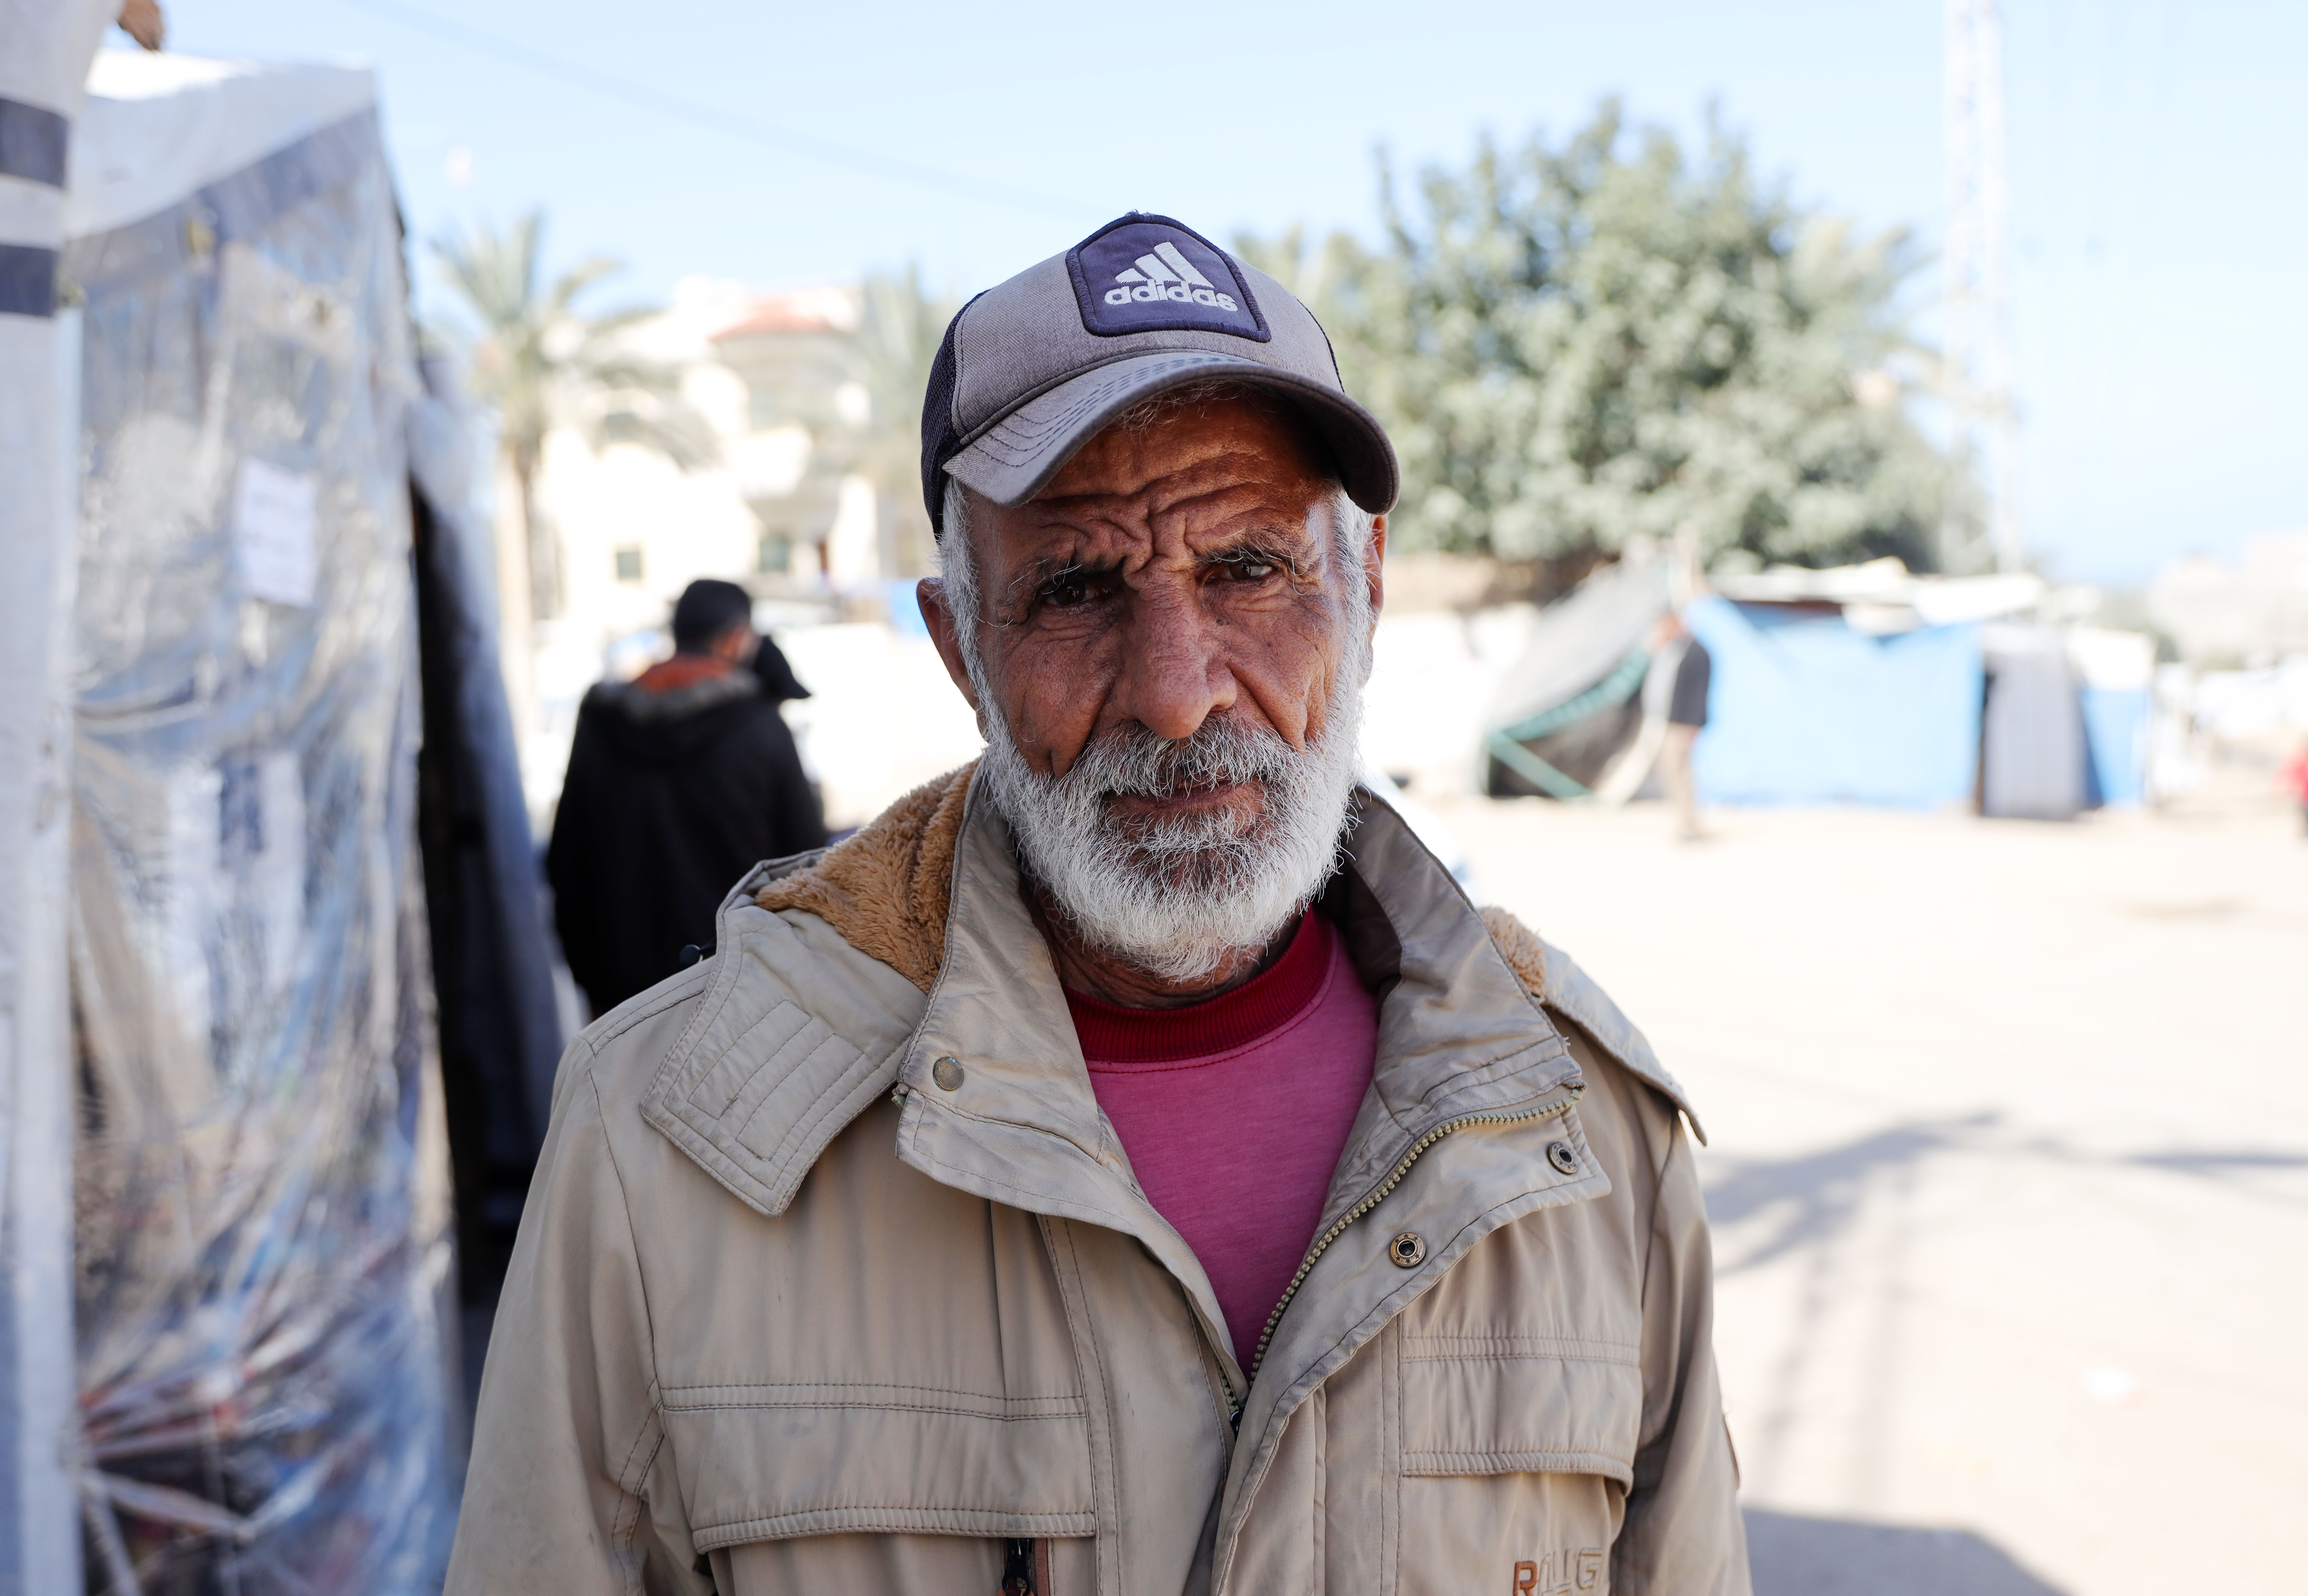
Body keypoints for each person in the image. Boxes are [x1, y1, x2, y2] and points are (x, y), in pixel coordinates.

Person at [454, 214, 1747, 1594]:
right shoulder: (662, 1147)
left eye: (1249, 569)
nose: (1179, 691)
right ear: (961, 646)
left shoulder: (1583, 1131)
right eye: (1076, 588)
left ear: (1363, 586)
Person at [543, 579, 826, 1016]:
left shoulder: (602, 725)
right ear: (736, 638)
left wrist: (592, 978)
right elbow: (806, 866)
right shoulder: (761, 727)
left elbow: (566, 861)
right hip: (736, 995)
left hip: (622, 1003)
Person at [1655, 612, 1715, 841]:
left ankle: (1689, 822)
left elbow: (1699, 693)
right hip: (1671, 721)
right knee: (1673, 772)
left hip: (1683, 724)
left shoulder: (1697, 652)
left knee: (1680, 772)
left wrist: (1694, 725)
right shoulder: (1676, 650)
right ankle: (1684, 820)